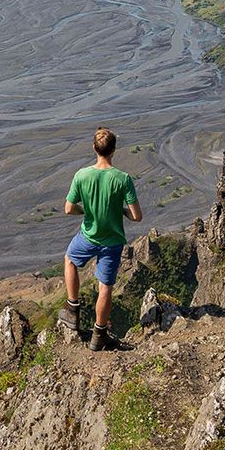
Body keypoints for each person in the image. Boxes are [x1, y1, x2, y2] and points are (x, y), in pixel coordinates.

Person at [57, 126, 143, 351]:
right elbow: (137, 216)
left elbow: (68, 209)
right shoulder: (123, 179)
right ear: (114, 150)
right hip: (112, 240)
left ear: (94, 148)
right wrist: (119, 211)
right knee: (105, 287)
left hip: (88, 236)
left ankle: (72, 310)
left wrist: (85, 212)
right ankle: (99, 336)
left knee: (69, 260)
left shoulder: (82, 175)